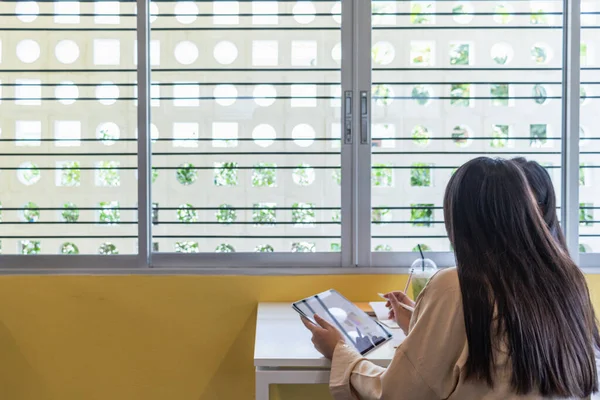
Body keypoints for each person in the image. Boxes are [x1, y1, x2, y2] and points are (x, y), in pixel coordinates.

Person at [301, 157, 599, 399]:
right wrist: (420, 322)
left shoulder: (458, 286)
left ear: (459, 219)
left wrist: (341, 352)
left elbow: (397, 394)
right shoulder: (566, 279)